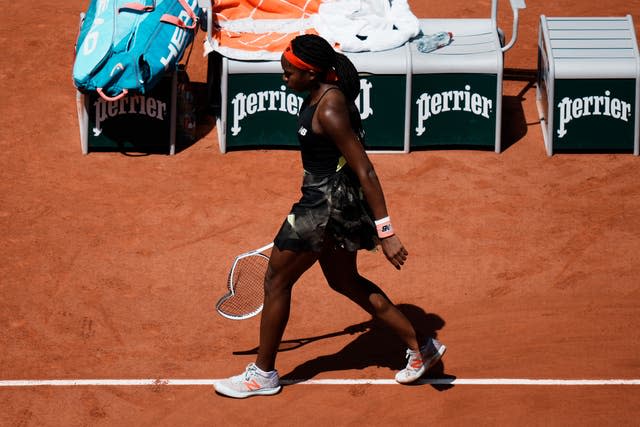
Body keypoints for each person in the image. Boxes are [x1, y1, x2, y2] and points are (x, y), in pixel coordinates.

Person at [214, 34, 445, 399]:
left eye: (289, 73)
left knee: (276, 280)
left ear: (311, 74)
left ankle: (263, 374)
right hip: (328, 201)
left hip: (322, 208)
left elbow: (366, 170)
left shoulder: (330, 108)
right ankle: (423, 349)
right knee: (345, 281)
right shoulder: (323, 96)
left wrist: (386, 232)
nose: (284, 78)